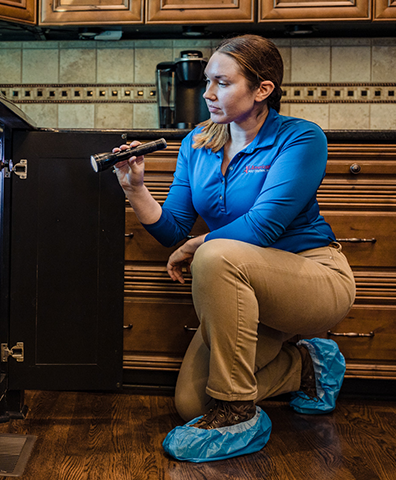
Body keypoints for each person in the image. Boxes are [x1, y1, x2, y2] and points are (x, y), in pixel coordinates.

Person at [112, 34, 356, 462]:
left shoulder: (300, 139)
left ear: (263, 89)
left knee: (215, 253)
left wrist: (197, 245)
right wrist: (135, 189)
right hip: (241, 287)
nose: (208, 93)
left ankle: (237, 412)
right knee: (192, 404)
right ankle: (307, 368)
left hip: (313, 276)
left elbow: (264, 227)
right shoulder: (198, 143)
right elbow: (174, 229)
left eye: (222, 83)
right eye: (208, 81)